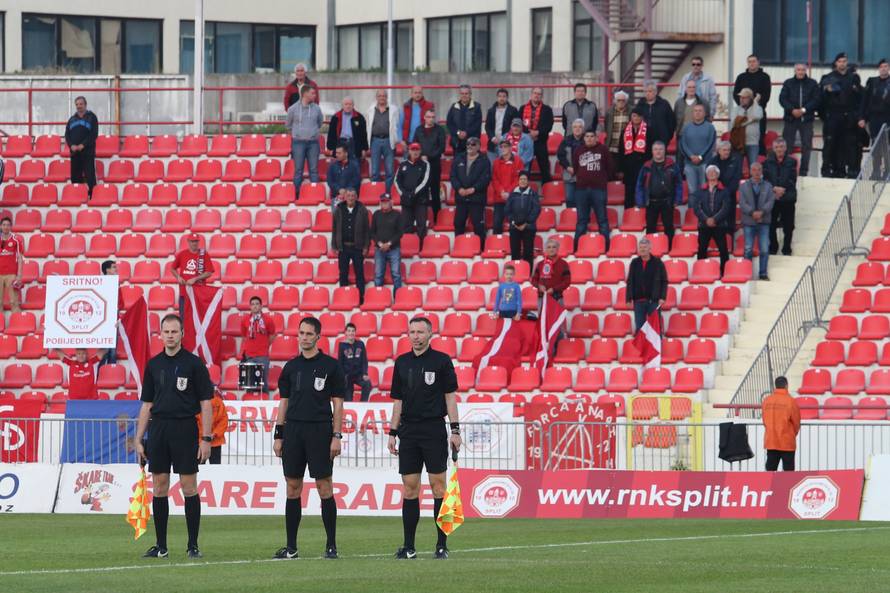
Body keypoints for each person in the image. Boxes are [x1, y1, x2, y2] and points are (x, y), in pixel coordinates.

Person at [135, 314, 213, 559]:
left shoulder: (194, 363)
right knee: (159, 487)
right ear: (160, 334)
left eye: (174, 331)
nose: (170, 335)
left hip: (184, 429)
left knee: (189, 487)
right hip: (158, 430)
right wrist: (138, 439)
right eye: (166, 331)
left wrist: (206, 439)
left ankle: (193, 545)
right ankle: (161, 546)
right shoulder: (154, 364)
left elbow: (206, 403)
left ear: (182, 334)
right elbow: (147, 405)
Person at [273, 316, 346, 559]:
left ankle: (332, 545)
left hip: (320, 431)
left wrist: (336, 435)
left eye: (308, 334)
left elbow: (338, 404)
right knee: (292, 488)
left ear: (318, 336)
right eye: (300, 333)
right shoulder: (291, 367)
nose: (303, 337)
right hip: (293, 431)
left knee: (324, 487)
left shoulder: (331, 366)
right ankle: (291, 547)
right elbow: (284, 402)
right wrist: (279, 434)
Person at [388, 316, 461, 560]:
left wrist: (456, 430)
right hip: (408, 431)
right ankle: (409, 546)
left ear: (430, 334)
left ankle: (442, 545)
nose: (415, 336)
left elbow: (450, 397)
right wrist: (392, 431)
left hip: (433, 430)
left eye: (420, 332)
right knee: (410, 489)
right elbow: (397, 401)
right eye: (412, 332)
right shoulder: (401, 363)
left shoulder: (441, 362)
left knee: (439, 487)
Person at [819, 53, 864, 178]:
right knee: (831, 144)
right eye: (840, 61)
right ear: (836, 63)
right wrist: (825, 116)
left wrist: (858, 116)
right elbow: (821, 100)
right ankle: (828, 170)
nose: (842, 63)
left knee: (849, 145)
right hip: (833, 116)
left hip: (849, 117)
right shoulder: (828, 78)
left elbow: (860, 98)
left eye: (844, 61)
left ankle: (850, 170)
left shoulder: (853, 78)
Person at [635, 141, 682, 250]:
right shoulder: (646, 166)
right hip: (651, 202)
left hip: (667, 201)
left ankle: (670, 249)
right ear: (652, 151)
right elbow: (639, 184)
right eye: (656, 149)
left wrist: (677, 199)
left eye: (660, 149)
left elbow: (679, 183)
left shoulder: (672, 165)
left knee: (669, 227)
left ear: (665, 150)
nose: (658, 152)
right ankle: (651, 250)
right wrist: (640, 201)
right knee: (650, 227)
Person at [573, 130, 613, 252]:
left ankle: (606, 248)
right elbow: (576, 167)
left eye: (592, 136)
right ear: (584, 138)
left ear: (596, 138)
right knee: (581, 221)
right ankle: (576, 248)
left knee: (602, 220)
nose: (589, 138)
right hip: (581, 190)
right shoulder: (578, 150)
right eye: (587, 136)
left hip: (598, 189)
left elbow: (610, 167)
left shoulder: (603, 149)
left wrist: (602, 179)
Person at [779, 63, 821, 176]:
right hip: (790, 119)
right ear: (795, 71)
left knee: (807, 145)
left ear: (806, 70)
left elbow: (816, 99)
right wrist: (792, 110)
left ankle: (803, 172)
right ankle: (787, 170)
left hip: (806, 120)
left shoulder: (812, 83)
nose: (801, 72)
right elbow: (782, 99)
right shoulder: (788, 83)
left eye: (803, 70)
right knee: (787, 145)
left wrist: (803, 110)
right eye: (798, 70)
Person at [332, 188, 370, 306]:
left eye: (353, 195)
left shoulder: (362, 209)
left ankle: (360, 298)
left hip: (357, 247)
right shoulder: (338, 209)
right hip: (343, 247)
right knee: (343, 273)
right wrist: (334, 245)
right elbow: (334, 228)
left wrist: (366, 247)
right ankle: (344, 298)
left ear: (356, 197)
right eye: (348, 195)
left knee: (359, 273)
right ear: (345, 196)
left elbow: (366, 230)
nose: (350, 198)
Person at [451, 137, 491, 246]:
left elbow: (485, 179)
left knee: (478, 226)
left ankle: (481, 248)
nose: (470, 146)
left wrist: (473, 189)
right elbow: (453, 176)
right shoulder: (459, 158)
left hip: (477, 199)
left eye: (473, 144)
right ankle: (458, 246)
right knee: (458, 224)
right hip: (461, 198)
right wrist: (459, 188)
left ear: (478, 146)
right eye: (468, 144)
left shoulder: (484, 160)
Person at [286, 85, 324, 199]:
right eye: (312, 93)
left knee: (314, 170)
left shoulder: (317, 108)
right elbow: (288, 125)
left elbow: (320, 122)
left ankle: (315, 193)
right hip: (298, 142)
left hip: (313, 143)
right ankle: (296, 195)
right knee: (298, 170)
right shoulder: (292, 109)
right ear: (305, 94)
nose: (315, 95)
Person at [738, 161, 775, 280]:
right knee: (748, 249)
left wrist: (761, 212)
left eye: (759, 170)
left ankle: (763, 273)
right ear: (750, 171)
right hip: (749, 221)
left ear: (762, 171)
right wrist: (752, 212)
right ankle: (746, 273)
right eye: (754, 170)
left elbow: (770, 202)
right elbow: (742, 203)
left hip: (764, 222)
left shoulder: (768, 186)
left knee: (764, 249)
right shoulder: (743, 186)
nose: (757, 172)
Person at [693, 165, 731, 275]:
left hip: (719, 225)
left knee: (723, 250)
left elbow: (726, 207)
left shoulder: (724, 190)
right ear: (706, 174)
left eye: (714, 172)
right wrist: (706, 220)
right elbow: (696, 208)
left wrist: (714, 219)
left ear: (718, 175)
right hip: (703, 225)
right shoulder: (700, 190)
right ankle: (700, 272)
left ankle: (725, 272)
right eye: (709, 172)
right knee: (702, 249)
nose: (712, 174)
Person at [763, 138, 798, 256]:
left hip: (788, 197)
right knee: (771, 224)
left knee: (789, 226)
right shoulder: (766, 163)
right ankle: (773, 246)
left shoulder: (792, 161)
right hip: (772, 198)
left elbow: (792, 179)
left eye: (781, 147)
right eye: (777, 147)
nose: (779, 149)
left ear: (785, 148)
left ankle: (787, 248)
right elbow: (765, 179)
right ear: (773, 149)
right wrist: (774, 189)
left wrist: (782, 189)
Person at [625, 238, 667, 331]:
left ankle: (657, 346)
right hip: (638, 302)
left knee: (655, 329)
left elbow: (664, 281)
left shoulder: (658, 263)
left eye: (645, 247)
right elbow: (630, 281)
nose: (642, 249)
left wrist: (662, 297)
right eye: (640, 247)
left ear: (650, 248)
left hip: (654, 301)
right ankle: (641, 346)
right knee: (640, 329)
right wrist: (628, 298)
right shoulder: (634, 262)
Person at [733, 54, 772, 155]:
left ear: (758, 62)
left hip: (758, 113)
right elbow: (735, 94)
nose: (751, 64)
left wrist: (754, 105)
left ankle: (759, 165)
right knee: (740, 137)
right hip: (742, 113)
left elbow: (766, 95)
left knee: (759, 139)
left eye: (754, 61)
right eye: (749, 62)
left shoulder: (765, 77)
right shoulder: (741, 77)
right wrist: (744, 105)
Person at [707, 140, 743, 246]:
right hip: (716, 196)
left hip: (730, 195)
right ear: (718, 151)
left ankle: (730, 244)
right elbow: (709, 178)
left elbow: (737, 178)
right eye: (724, 150)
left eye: (728, 150)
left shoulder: (735, 160)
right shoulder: (712, 162)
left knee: (730, 222)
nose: (727, 152)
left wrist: (726, 192)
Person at [761, 376, 801, 471]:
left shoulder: (767, 400)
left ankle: (770, 486)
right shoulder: (791, 401)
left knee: (770, 472)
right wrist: (792, 434)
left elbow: (764, 420)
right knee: (788, 475)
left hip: (771, 441)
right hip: (787, 442)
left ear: (776, 386)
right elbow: (796, 422)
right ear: (786, 385)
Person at [413, 109, 447, 219]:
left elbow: (441, 147)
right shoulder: (418, 130)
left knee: (435, 191)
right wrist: (420, 155)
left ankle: (437, 217)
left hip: (434, 164)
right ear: (424, 117)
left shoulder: (440, 130)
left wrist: (428, 156)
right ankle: (421, 218)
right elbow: (415, 145)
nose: (431, 119)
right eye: (429, 117)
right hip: (420, 165)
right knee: (421, 191)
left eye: (433, 117)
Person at [859, 59, 890, 179]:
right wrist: (862, 117)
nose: (883, 68)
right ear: (878, 68)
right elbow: (864, 101)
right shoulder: (872, 82)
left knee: (887, 147)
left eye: (886, 66)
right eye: (881, 66)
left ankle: (887, 172)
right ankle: (876, 171)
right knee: (875, 146)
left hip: (888, 118)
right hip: (875, 119)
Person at [396, 142, 432, 244]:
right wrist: (404, 193)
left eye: (417, 150)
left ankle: (421, 247)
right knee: (406, 225)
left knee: (421, 225)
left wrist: (412, 193)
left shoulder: (426, 164)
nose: (415, 152)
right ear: (409, 151)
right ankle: (408, 246)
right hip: (406, 200)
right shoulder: (403, 164)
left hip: (421, 200)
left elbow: (425, 181)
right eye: (413, 150)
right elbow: (397, 181)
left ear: (420, 151)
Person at [240, 296, 277, 395]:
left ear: (261, 306)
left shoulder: (268, 319)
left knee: (263, 382)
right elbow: (244, 336)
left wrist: (265, 344)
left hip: (262, 355)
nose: (255, 306)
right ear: (250, 307)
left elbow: (272, 335)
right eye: (252, 304)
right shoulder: (245, 320)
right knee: (250, 383)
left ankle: (265, 404)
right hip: (249, 356)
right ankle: (249, 404)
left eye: (257, 304)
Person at [505, 170, 541, 267]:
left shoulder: (533, 194)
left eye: (525, 179)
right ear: (518, 180)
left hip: (529, 227)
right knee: (515, 252)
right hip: (514, 227)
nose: (523, 181)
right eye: (521, 179)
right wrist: (514, 222)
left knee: (528, 252)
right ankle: (516, 274)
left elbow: (536, 209)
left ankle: (527, 275)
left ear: (528, 181)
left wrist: (526, 223)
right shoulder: (512, 194)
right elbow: (507, 210)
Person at [172, 234, 214, 316]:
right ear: (188, 242)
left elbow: (209, 272)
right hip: (184, 293)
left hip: (198, 294)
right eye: (192, 241)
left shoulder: (204, 254)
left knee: (198, 318)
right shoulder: (182, 254)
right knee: (183, 318)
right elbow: (172, 268)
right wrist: (178, 277)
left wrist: (195, 279)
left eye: (196, 241)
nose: (194, 243)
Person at [366, 89, 400, 191]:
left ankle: (388, 193)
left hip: (388, 141)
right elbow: (368, 126)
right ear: (376, 97)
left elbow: (397, 125)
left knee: (389, 170)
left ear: (387, 97)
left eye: (384, 96)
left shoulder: (393, 109)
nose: (382, 98)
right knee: (375, 170)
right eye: (380, 96)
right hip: (375, 141)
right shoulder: (370, 110)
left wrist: (395, 140)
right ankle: (375, 191)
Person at [679, 104, 717, 194]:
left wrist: (700, 157)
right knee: (692, 191)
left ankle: (704, 208)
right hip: (689, 164)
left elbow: (711, 144)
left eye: (700, 111)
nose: (697, 113)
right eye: (695, 111)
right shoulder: (686, 127)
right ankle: (692, 208)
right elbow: (683, 144)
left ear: (704, 113)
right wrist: (691, 156)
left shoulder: (710, 127)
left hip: (705, 163)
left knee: (705, 189)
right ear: (692, 113)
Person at [65, 96, 99, 197]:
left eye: (81, 104)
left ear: (85, 104)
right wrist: (71, 145)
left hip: (87, 152)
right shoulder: (72, 119)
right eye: (77, 104)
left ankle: (93, 196)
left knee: (90, 175)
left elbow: (94, 134)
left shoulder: (92, 117)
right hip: (75, 152)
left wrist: (83, 145)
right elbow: (67, 135)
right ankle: (77, 196)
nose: (79, 106)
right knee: (75, 176)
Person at [490, 139, 525, 234]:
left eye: (505, 146)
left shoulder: (518, 161)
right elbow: (495, 179)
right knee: (497, 224)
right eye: (501, 147)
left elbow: (518, 179)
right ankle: (496, 246)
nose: (503, 149)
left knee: (514, 225)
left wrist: (509, 192)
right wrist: (501, 192)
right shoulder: (496, 162)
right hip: (499, 198)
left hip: (514, 198)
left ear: (510, 148)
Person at [371, 193, 404, 292]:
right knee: (378, 275)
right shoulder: (376, 214)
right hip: (379, 249)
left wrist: (389, 244)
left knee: (396, 274)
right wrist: (380, 244)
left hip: (394, 249)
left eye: (386, 202)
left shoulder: (397, 214)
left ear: (391, 202)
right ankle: (377, 299)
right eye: (382, 202)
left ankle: (398, 298)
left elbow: (400, 233)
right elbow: (372, 232)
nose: (384, 204)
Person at [521, 87, 554, 183]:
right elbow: (519, 123)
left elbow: (549, 125)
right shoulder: (523, 108)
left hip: (541, 142)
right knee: (525, 169)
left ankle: (547, 191)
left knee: (545, 169)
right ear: (531, 94)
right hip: (526, 142)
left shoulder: (547, 109)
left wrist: (538, 132)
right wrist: (529, 133)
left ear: (541, 96)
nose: (536, 95)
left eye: (539, 94)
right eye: (535, 93)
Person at [674, 81, 709, 169]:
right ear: (685, 89)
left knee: (697, 161)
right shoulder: (679, 103)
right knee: (680, 161)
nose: (691, 89)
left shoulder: (703, 102)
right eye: (689, 87)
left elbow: (707, 118)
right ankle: (680, 181)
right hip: (682, 135)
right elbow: (675, 118)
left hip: (698, 136)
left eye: (693, 87)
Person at [635, 81, 676, 155]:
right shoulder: (640, 105)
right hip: (644, 140)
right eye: (645, 91)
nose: (647, 93)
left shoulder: (664, 104)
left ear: (655, 92)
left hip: (661, 140)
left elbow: (671, 121)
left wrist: (667, 137)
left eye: (650, 91)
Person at [603, 91, 631, 196]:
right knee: (611, 172)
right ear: (615, 101)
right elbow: (607, 127)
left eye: (623, 100)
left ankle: (623, 195)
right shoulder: (609, 112)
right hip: (612, 147)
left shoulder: (631, 111)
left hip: (626, 148)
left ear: (626, 101)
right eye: (619, 100)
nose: (621, 102)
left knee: (625, 173)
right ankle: (611, 195)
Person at [729, 88, 763, 169]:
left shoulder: (757, 108)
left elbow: (758, 116)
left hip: (752, 143)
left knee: (753, 168)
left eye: (744, 97)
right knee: (737, 168)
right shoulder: (735, 109)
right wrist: (751, 120)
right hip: (738, 143)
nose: (741, 99)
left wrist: (755, 102)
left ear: (750, 98)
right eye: (741, 97)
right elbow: (735, 122)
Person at [99, 259, 124, 368]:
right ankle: (99, 376)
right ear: (107, 270)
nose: (116, 269)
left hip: (114, 318)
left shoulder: (116, 283)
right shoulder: (99, 284)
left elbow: (120, 303)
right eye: (114, 267)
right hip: (102, 320)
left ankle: (110, 374)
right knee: (104, 350)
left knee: (112, 350)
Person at [326, 96, 368, 161]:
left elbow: (363, 134)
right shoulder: (336, 117)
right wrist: (331, 148)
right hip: (340, 143)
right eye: (346, 104)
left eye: (350, 104)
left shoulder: (359, 117)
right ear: (342, 105)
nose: (348, 106)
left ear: (353, 105)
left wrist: (364, 149)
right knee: (339, 166)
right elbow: (331, 134)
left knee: (355, 164)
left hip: (354, 143)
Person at [338, 323, 372, 402]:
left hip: (358, 374)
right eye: (349, 331)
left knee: (367, 383)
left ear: (355, 332)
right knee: (348, 400)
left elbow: (364, 360)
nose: (351, 333)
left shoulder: (360, 344)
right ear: (345, 333)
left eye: (353, 331)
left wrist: (365, 373)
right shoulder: (342, 345)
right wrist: (342, 376)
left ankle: (363, 404)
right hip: (347, 376)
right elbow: (340, 362)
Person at [556, 118, 586, 208]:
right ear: (572, 129)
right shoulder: (565, 141)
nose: (577, 129)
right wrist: (568, 167)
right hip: (569, 173)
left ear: (583, 129)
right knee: (569, 198)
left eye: (580, 127)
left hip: (583, 175)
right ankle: (571, 217)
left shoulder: (587, 140)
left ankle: (583, 219)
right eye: (575, 127)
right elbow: (560, 156)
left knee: (583, 199)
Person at [532, 238, 571, 306]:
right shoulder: (540, 264)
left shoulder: (563, 264)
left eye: (554, 247)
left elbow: (567, 281)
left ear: (557, 249)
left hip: (557, 298)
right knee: (543, 317)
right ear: (546, 250)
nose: (551, 249)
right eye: (549, 247)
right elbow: (534, 280)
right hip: (542, 298)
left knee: (557, 317)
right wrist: (539, 286)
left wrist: (554, 289)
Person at [446, 84, 483, 155]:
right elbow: (449, 123)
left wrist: (466, 133)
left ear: (470, 94)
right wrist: (458, 133)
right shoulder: (454, 107)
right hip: (457, 142)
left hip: (472, 143)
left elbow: (477, 124)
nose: (464, 95)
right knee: (458, 164)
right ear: (459, 94)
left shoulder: (477, 107)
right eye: (462, 93)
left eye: (466, 93)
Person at [196, 388, 229, 465]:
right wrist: (214, 434)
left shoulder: (197, 402)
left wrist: (204, 435)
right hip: (215, 441)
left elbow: (195, 421)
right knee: (216, 468)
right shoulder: (219, 402)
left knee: (200, 468)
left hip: (201, 441)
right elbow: (223, 421)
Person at [484, 88, 519, 157]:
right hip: (492, 144)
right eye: (500, 96)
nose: (502, 98)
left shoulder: (513, 110)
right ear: (497, 97)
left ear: (507, 98)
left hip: (507, 143)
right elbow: (487, 126)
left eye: (504, 96)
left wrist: (505, 137)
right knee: (492, 166)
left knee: (506, 166)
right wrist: (492, 138)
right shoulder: (491, 111)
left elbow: (515, 127)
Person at [0, 216, 23, 318]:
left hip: (11, 274)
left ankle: (17, 323)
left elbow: (20, 258)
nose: (6, 227)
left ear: (11, 227)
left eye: (8, 225)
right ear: (1, 226)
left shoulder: (16, 240)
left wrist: (19, 275)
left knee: (13, 301)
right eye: (4, 225)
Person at [327, 143, 361, 212]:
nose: (336, 155)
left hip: (351, 197)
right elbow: (330, 181)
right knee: (337, 221)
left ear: (346, 153)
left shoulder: (354, 165)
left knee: (350, 220)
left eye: (339, 153)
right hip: (336, 196)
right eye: (336, 153)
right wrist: (339, 189)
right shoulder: (332, 166)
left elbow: (356, 180)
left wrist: (346, 191)